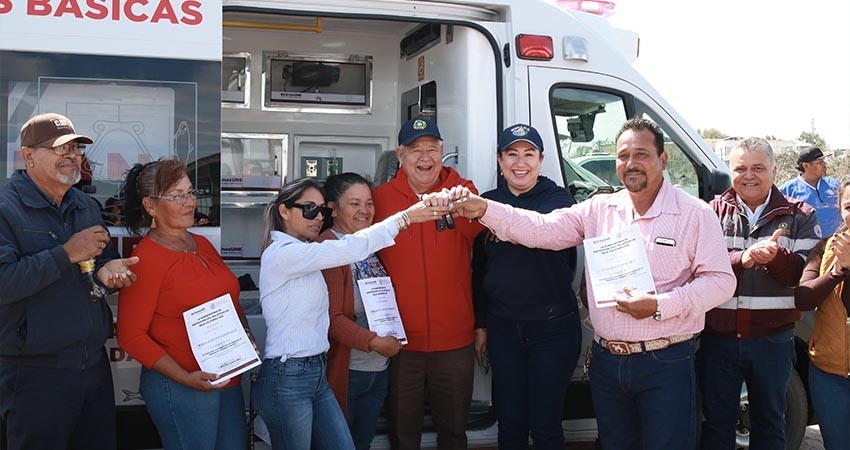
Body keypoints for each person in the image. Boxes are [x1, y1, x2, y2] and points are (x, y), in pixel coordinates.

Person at [443, 117, 736, 450]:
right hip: (608, 360)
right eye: (623, 156)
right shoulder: (599, 209)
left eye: (641, 154)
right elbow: (541, 229)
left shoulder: (695, 213)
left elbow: (721, 281)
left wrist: (659, 305)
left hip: (664, 361)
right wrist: (484, 208)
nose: (631, 163)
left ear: (663, 159)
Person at [253, 177, 448, 450]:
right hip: (289, 373)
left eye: (321, 210)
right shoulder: (282, 254)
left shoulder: (305, 252)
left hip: (314, 370)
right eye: (309, 209)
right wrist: (405, 218)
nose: (318, 217)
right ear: (284, 211)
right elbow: (349, 248)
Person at [0, 113, 139, 450]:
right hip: (35, 373)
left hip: (92, 366)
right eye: (60, 149)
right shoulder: (6, 208)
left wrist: (108, 273)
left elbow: (97, 263)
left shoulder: (85, 205)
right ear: (28, 155)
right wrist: (66, 254)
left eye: (76, 149)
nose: (72, 156)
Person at [116, 159, 253, 450]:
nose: (189, 202)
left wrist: (245, 336)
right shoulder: (146, 259)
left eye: (191, 192)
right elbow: (130, 336)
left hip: (226, 377)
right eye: (176, 196)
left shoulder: (202, 244)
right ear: (150, 206)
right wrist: (185, 378)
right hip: (181, 385)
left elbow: (227, 299)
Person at [699, 138, 820, 450]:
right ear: (730, 172)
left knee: (770, 424)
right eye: (741, 168)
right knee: (716, 426)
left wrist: (776, 258)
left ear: (774, 171)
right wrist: (745, 258)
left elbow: (801, 276)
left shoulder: (801, 215)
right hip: (718, 340)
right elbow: (700, 269)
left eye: (758, 168)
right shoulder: (709, 213)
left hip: (772, 342)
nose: (749, 175)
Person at [372, 117, 483, 450]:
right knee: (403, 435)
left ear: (442, 152)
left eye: (432, 149)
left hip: (455, 342)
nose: (425, 158)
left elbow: (483, 233)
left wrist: (460, 195)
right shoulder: (380, 199)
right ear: (400, 156)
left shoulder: (464, 195)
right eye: (415, 150)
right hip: (400, 343)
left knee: (454, 433)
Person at [471, 124, 581, 449]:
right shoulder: (487, 202)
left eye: (529, 154)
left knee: (545, 426)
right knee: (510, 424)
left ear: (541, 159)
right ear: (500, 160)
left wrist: (493, 216)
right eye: (512, 154)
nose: (520, 163)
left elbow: (539, 230)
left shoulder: (557, 199)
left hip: (552, 329)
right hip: (504, 328)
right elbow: (479, 270)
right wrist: (481, 324)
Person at [318, 173, 402, 450]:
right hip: (347, 371)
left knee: (361, 444)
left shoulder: (371, 245)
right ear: (333, 208)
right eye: (354, 204)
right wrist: (374, 342)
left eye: (369, 203)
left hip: (378, 369)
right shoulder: (328, 248)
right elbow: (331, 319)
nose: (364, 211)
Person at [795, 179, 850, 450]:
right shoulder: (825, 248)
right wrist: (838, 271)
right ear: (840, 209)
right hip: (830, 375)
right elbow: (803, 298)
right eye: (849, 206)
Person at [780, 146, 842, 235]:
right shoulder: (787, 191)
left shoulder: (835, 185)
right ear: (806, 165)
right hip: (806, 241)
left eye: (823, 161)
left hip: (837, 241)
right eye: (819, 162)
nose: (824, 165)